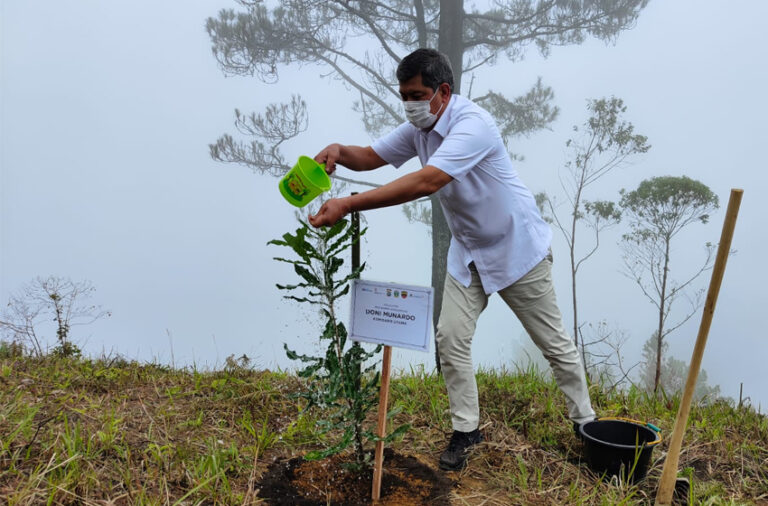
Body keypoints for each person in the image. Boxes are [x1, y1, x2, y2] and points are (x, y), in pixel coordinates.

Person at [308, 48, 595, 471]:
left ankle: (587, 427)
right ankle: (467, 431)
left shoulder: (472, 125)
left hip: (517, 247)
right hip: (469, 252)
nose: (409, 104)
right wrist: (337, 150)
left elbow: (427, 181)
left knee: (553, 344)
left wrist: (349, 206)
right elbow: (372, 156)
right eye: (403, 95)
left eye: (417, 94)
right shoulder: (420, 129)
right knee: (450, 337)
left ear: (443, 91)